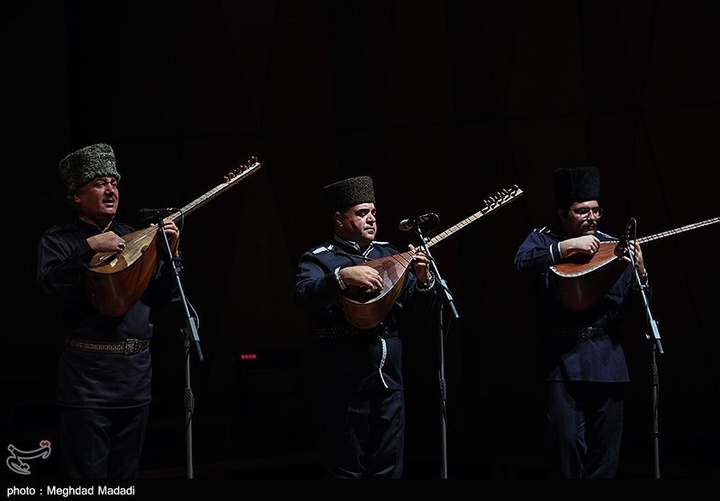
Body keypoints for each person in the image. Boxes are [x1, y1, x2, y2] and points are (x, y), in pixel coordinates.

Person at [36, 143, 184, 479]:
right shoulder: (59, 241)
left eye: (114, 183)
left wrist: (171, 255)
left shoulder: (135, 237)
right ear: (77, 195)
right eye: (100, 183)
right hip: (88, 381)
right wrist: (88, 248)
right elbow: (49, 288)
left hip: (135, 378)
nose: (110, 189)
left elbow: (169, 301)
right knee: (88, 480)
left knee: (126, 478)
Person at [293, 175, 437, 478]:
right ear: (339, 219)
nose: (371, 219)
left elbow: (417, 312)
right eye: (361, 213)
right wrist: (342, 278)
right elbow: (303, 298)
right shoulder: (320, 258)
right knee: (347, 466)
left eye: (373, 213)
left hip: (389, 380)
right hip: (344, 380)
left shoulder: (388, 254)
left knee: (388, 465)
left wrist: (423, 283)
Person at [514, 165, 651, 479]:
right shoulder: (542, 239)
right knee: (565, 447)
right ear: (562, 213)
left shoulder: (611, 245)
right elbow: (521, 263)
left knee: (605, 456)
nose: (592, 217)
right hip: (560, 360)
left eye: (596, 210)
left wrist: (640, 275)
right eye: (581, 211)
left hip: (607, 360)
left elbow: (636, 306)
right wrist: (564, 247)